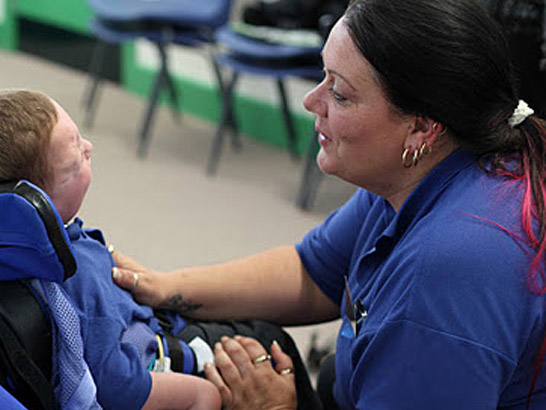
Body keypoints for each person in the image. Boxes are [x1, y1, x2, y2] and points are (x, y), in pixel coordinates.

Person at [112, 0, 546, 408]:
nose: (311, 101)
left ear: (421, 129)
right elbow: (315, 271)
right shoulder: (424, 170)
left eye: (339, 93)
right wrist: (166, 286)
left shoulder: (448, 272)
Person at [0, 89, 222, 410]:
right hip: (165, 357)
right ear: (37, 203)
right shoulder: (82, 277)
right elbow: (119, 387)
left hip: (150, 320)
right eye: (76, 155)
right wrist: (201, 394)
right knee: (254, 350)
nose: (89, 148)